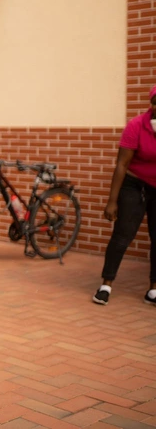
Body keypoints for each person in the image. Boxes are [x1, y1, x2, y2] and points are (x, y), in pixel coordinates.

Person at [92, 85, 156, 306]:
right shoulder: (136, 126)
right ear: (152, 104)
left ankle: (153, 290)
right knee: (122, 235)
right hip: (134, 185)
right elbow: (122, 164)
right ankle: (106, 285)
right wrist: (112, 201)